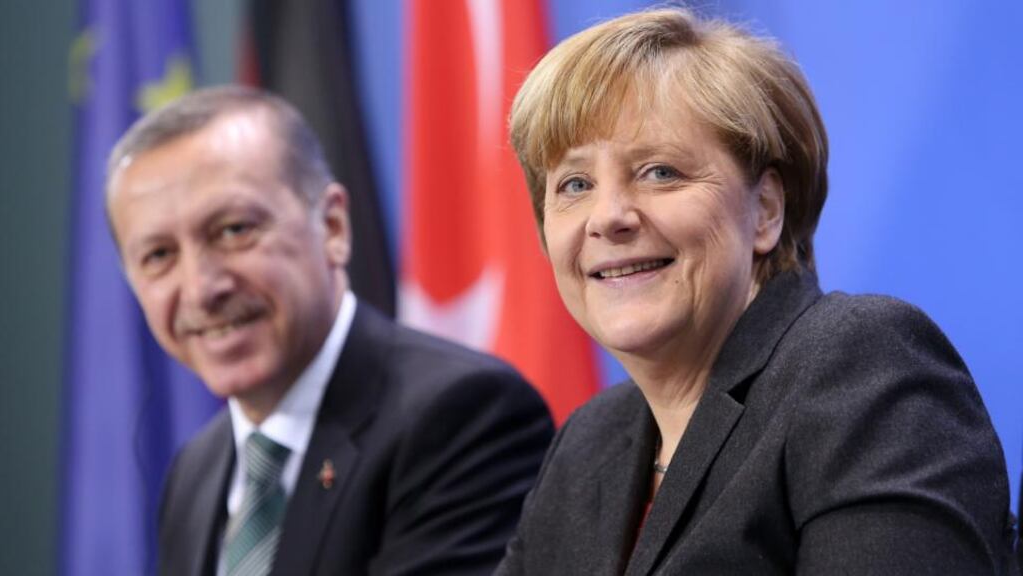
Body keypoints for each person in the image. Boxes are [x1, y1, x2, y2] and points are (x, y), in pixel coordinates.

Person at [498, 8, 1018, 575]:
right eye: (575, 184)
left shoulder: (860, 366)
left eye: (660, 172)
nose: (608, 217)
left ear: (766, 210)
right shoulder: (586, 445)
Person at [106, 85, 553, 576]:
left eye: (234, 230)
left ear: (333, 226)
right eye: (158, 255)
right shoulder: (196, 469)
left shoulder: (463, 416)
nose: (200, 289)